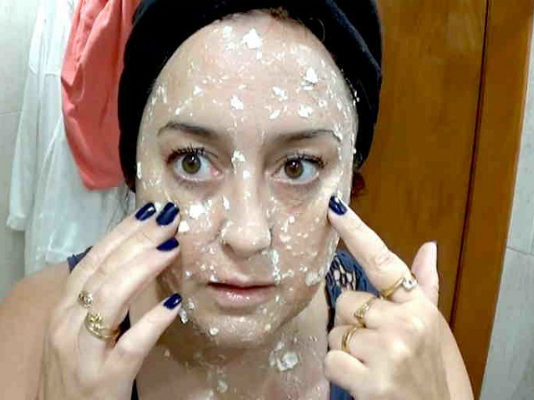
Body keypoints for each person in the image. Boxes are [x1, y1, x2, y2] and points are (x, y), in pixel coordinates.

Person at [0, 1, 474, 399]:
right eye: (192, 162)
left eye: (297, 166)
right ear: (134, 173)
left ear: (352, 179)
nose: (247, 236)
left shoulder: (413, 352)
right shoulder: (34, 332)